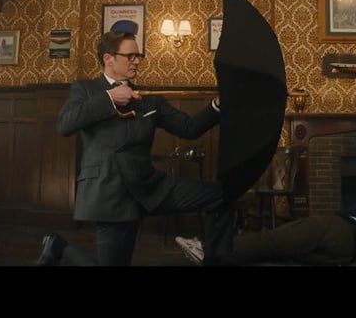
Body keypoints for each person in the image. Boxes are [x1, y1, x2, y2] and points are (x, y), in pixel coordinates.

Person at [53, 20, 235, 266]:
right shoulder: (85, 90)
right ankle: (59, 248)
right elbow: (64, 125)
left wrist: (218, 106)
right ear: (108, 59)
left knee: (219, 196)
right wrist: (108, 97)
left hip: (150, 187)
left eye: (138, 56)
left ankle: (209, 257)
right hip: (110, 190)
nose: (137, 61)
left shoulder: (149, 101)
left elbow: (189, 128)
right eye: (130, 56)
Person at [174, 198, 356, 266]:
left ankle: (207, 251)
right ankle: (217, 258)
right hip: (347, 254)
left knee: (273, 241)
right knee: (282, 257)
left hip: (337, 228)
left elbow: (345, 212)